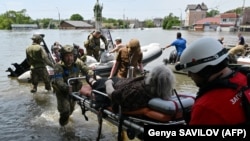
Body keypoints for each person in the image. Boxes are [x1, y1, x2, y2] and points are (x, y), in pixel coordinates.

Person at [175, 37, 248, 125]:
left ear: (205, 70)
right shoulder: (244, 77)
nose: (189, 75)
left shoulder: (206, 108)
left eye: (191, 71)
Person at [85, 64, 176, 112]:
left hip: (113, 86)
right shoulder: (162, 92)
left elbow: (112, 95)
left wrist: (108, 83)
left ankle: (91, 79)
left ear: (152, 77)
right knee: (102, 80)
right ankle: (95, 78)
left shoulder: (136, 91)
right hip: (121, 81)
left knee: (98, 82)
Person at [52, 45, 94, 126]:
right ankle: (62, 127)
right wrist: (66, 88)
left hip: (74, 89)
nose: (70, 58)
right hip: (62, 91)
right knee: (65, 111)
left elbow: (86, 69)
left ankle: (67, 119)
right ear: (62, 57)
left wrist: (91, 74)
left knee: (71, 110)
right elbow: (59, 81)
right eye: (67, 56)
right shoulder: (58, 66)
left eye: (71, 55)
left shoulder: (78, 62)